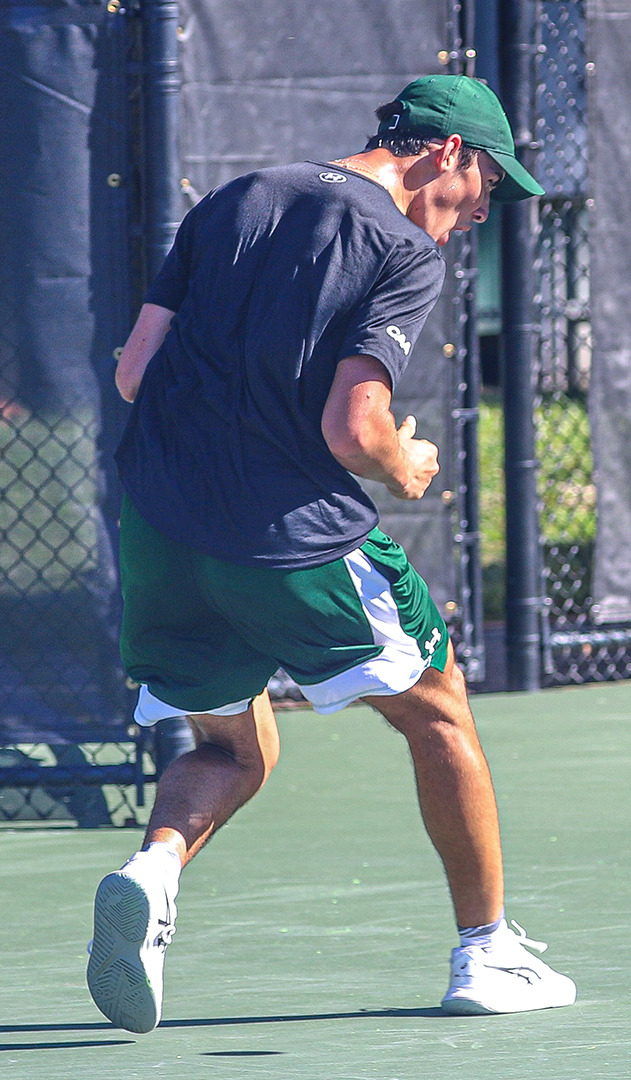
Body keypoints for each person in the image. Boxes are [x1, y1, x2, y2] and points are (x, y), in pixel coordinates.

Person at [87, 75, 574, 1033]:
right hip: (290, 540)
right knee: (440, 712)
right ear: (447, 153)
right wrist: (408, 462)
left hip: (159, 530)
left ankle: (151, 873)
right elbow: (356, 428)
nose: (482, 210)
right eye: (485, 186)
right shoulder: (398, 247)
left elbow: (137, 373)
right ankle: (488, 952)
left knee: (235, 744)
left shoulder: (238, 196)